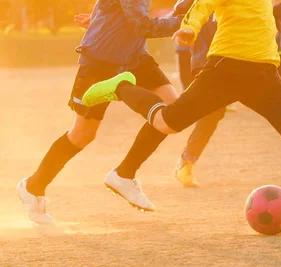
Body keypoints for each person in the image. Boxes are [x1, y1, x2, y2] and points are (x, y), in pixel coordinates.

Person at [81, 0, 281, 226]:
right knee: (167, 122)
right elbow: (201, 6)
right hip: (227, 68)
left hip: (264, 71)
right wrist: (190, 29)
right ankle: (120, 88)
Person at [16, 0, 182, 224]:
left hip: (135, 59)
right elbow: (142, 26)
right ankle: (32, 186)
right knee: (82, 135)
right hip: (100, 62)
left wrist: (99, 21)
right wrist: (185, 23)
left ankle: (124, 174)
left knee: (172, 111)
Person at [171, 0, 224, 187]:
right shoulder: (190, 4)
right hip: (206, 63)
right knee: (209, 113)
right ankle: (186, 161)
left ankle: (187, 160)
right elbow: (176, 14)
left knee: (214, 113)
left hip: (233, 59)